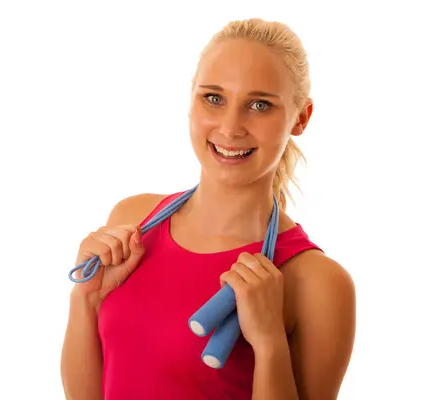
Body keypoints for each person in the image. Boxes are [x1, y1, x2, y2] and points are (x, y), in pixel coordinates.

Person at [60, 18, 356, 400]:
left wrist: (268, 344)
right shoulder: (132, 221)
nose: (231, 128)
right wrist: (85, 298)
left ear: (301, 118)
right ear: (191, 101)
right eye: (214, 98)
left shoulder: (317, 282)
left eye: (260, 105)